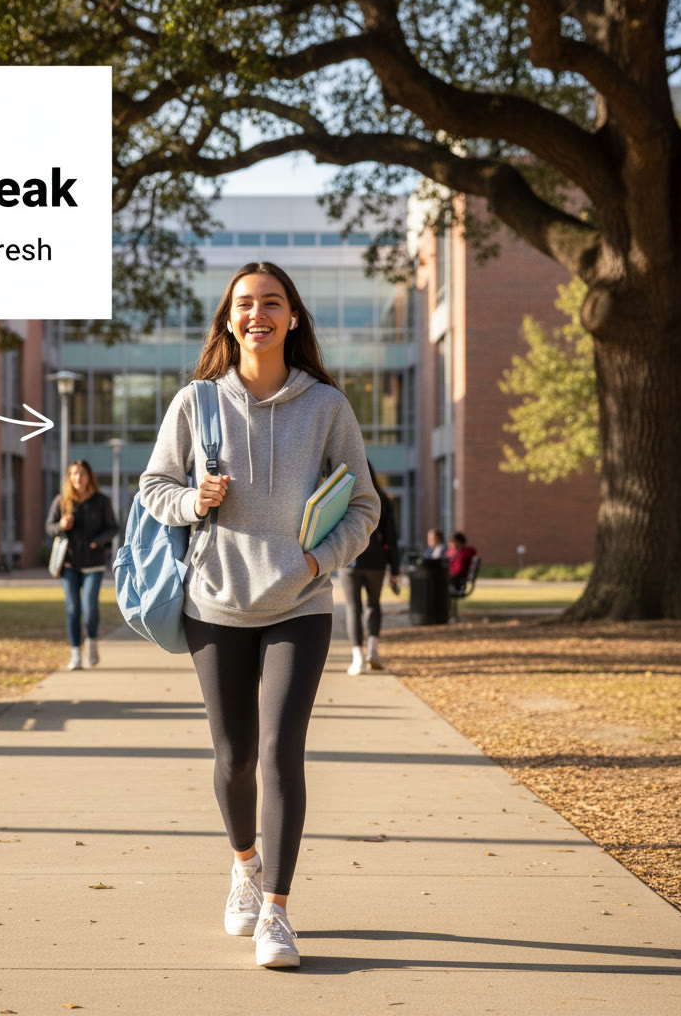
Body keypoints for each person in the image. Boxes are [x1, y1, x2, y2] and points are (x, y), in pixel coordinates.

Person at [139, 261, 379, 968]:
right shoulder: (196, 403)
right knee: (233, 756)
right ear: (228, 319)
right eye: (244, 304)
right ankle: (243, 864)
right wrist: (194, 500)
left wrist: (316, 564)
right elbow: (154, 486)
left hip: (299, 603)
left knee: (279, 752)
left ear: (293, 317)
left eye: (271, 302)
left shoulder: (327, 407)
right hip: (215, 604)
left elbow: (365, 505)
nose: (257, 314)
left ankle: (276, 910)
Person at [45, 459, 119, 671]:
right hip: (69, 563)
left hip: (94, 563)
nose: (78, 477)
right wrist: (61, 525)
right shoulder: (62, 501)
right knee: (72, 608)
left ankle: (92, 643)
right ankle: (76, 653)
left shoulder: (101, 501)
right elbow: (49, 528)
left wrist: (99, 541)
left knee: (90, 607)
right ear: (69, 478)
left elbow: (113, 528)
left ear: (89, 477)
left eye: (82, 473)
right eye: (74, 474)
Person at [340, 461, 401, 676]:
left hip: (350, 561)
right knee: (374, 605)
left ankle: (358, 657)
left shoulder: (344, 499)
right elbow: (392, 538)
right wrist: (395, 569)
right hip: (377, 562)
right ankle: (373, 650)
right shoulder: (383, 500)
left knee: (353, 608)